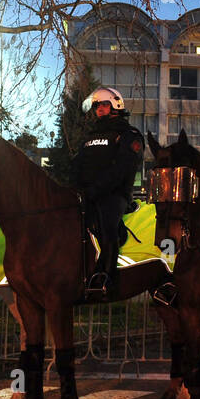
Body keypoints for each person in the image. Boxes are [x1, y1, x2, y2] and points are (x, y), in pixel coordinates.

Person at [73, 87, 144, 294]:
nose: (100, 109)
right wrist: (76, 188)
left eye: (104, 105)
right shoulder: (89, 137)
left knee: (108, 225)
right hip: (86, 193)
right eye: (97, 106)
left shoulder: (128, 135)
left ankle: (106, 277)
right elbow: (77, 164)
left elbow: (122, 169)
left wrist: (96, 190)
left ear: (116, 105)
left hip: (114, 194)